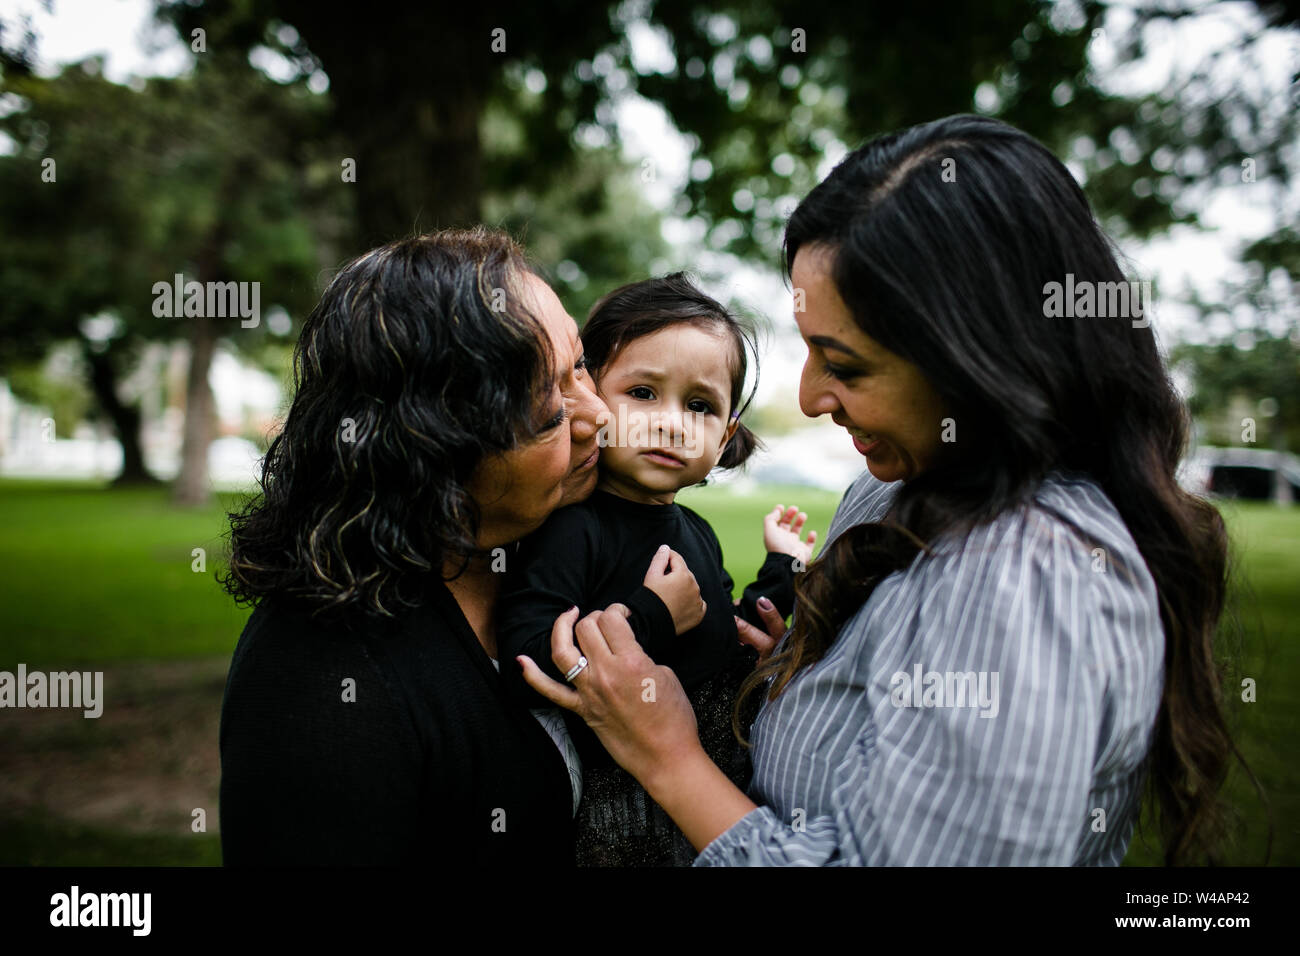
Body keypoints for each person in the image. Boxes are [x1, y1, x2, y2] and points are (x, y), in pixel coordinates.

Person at [518, 114, 1238, 866]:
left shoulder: (1029, 577)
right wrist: (792, 670)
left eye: (846, 365)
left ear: (978, 362)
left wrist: (668, 754)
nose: (808, 398)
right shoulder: (894, 484)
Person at [218, 227, 606, 865]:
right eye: (552, 413)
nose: (598, 415)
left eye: (581, 364)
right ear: (440, 456)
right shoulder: (326, 681)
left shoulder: (559, 557)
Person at [496, 273, 817, 865]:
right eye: (643, 393)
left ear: (723, 439)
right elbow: (527, 656)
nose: (670, 422)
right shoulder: (574, 529)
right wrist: (651, 618)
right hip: (622, 808)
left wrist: (779, 574)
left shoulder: (696, 532)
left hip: (718, 790)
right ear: (592, 394)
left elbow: (727, 632)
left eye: (699, 405)